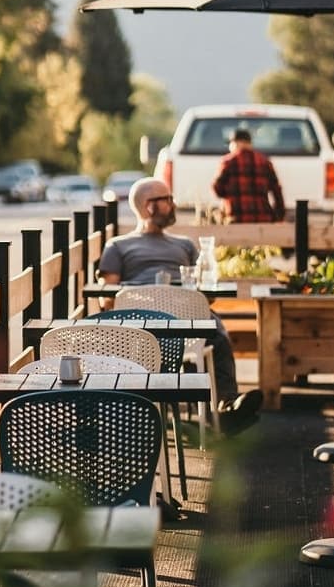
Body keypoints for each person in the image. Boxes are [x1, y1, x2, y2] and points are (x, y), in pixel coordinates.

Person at [98, 177, 262, 435]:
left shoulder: (184, 244)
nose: (173, 205)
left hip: (187, 319)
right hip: (140, 326)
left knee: (216, 332)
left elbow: (206, 293)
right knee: (212, 327)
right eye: (167, 200)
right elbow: (107, 298)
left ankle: (224, 409)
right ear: (149, 206)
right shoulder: (118, 246)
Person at [212, 128, 286, 224]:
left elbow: (217, 189)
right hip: (263, 219)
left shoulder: (228, 162)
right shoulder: (265, 162)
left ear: (235, 143)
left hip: (236, 219)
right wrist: (279, 216)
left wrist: (231, 194)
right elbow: (277, 192)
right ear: (250, 143)